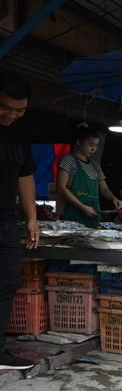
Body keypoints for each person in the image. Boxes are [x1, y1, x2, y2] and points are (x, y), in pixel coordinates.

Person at [0, 71, 40, 371]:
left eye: (19, 110)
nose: (12, 115)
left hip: (6, 222)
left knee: (8, 282)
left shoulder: (20, 132)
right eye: (5, 108)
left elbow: (25, 176)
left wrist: (31, 218)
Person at [56, 125, 122, 228]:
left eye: (96, 146)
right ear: (79, 142)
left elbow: (104, 189)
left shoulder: (95, 165)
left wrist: (114, 198)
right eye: (91, 145)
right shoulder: (68, 160)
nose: (94, 149)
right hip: (74, 217)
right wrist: (82, 207)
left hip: (93, 217)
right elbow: (61, 188)